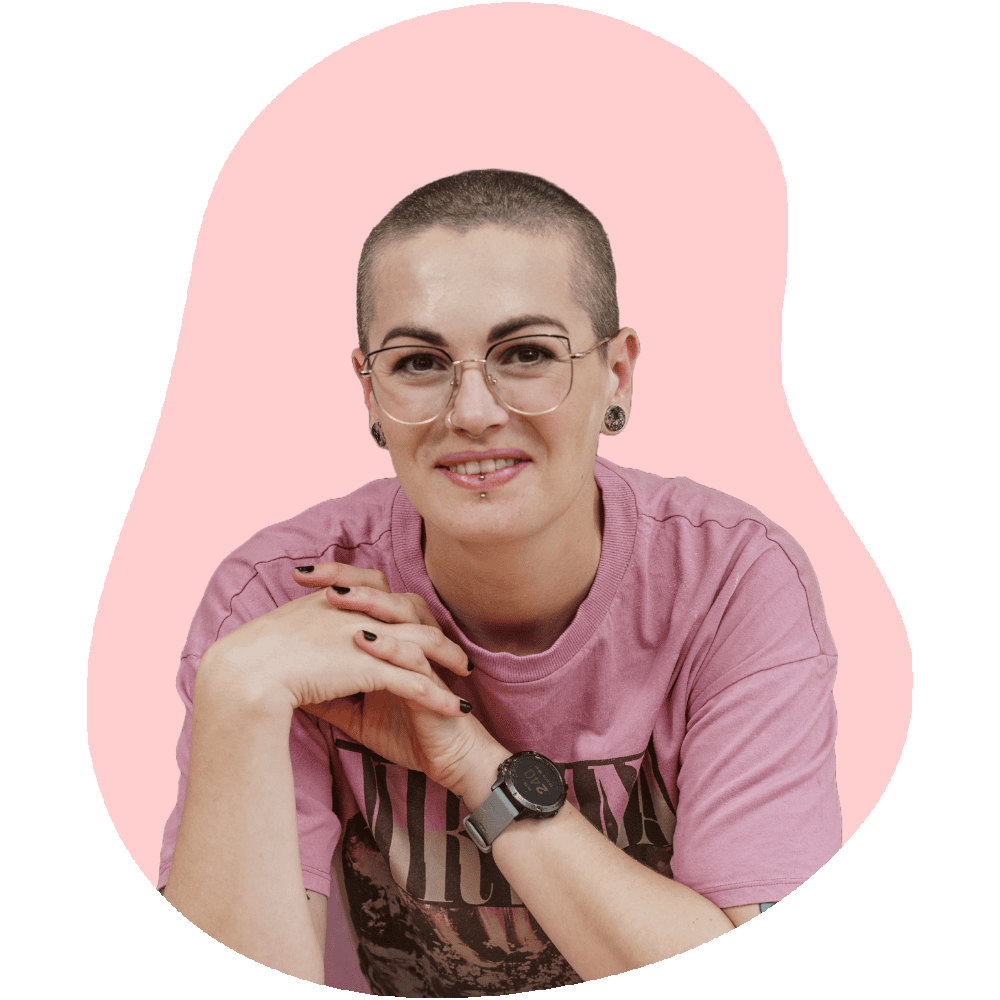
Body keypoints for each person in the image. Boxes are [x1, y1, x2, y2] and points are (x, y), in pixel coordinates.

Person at [159, 169, 840, 995]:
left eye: (526, 354)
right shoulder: (284, 606)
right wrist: (237, 692)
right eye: (419, 362)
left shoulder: (730, 580)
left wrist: (473, 762)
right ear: (370, 391)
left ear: (617, 372)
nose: (472, 412)